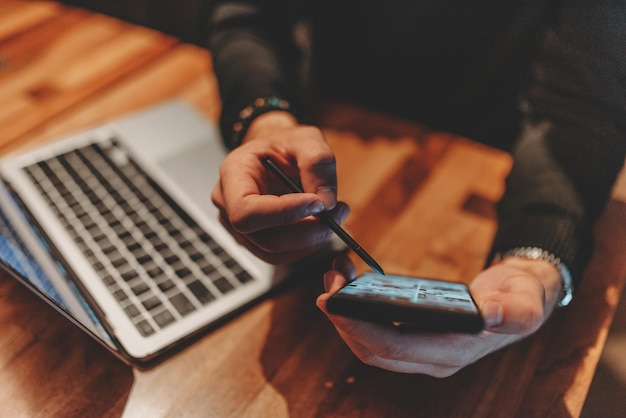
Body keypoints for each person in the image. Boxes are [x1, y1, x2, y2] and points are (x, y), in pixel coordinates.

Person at [206, 0, 626, 376]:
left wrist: (536, 256)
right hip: (332, 142)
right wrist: (267, 120)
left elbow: (585, 102)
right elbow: (249, 15)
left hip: (491, 165)